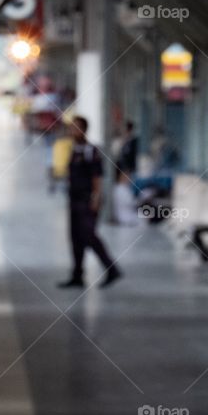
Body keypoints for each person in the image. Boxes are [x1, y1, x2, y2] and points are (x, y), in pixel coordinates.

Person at [58, 116, 123, 289]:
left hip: (87, 200)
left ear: (84, 130)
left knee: (89, 235)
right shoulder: (74, 149)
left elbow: (97, 177)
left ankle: (112, 268)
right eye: (71, 128)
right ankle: (77, 274)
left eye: (76, 128)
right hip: (74, 199)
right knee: (75, 238)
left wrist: (95, 198)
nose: (72, 131)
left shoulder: (90, 151)